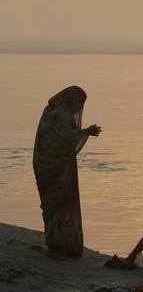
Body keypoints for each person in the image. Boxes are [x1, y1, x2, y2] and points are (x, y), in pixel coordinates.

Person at [33, 86, 101, 258]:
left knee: (54, 204)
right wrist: (86, 131)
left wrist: (83, 132)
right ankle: (59, 245)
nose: (79, 107)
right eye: (78, 102)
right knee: (59, 203)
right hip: (57, 167)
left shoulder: (51, 111)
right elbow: (63, 138)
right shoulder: (59, 114)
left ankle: (58, 244)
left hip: (49, 164)